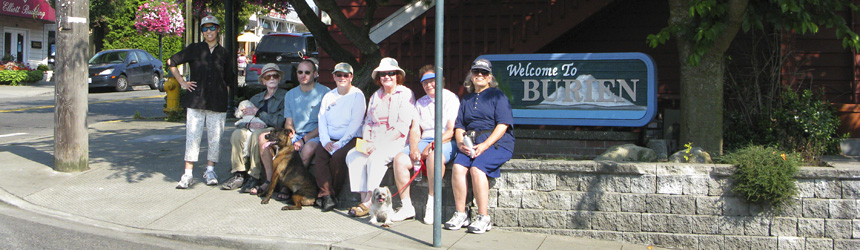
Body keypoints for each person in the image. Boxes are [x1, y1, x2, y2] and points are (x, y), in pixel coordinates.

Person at [444, 58, 514, 234]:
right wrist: (461, 144)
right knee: (458, 167)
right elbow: (459, 126)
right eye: (476, 72)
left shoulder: (498, 96)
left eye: (484, 73)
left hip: (497, 143)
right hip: (471, 143)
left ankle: (484, 217)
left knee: (477, 168)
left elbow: (503, 125)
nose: (480, 75)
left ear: (490, 77)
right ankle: (461, 214)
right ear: (471, 76)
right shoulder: (466, 100)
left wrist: (484, 145)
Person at [167, 15, 236, 189]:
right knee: (193, 137)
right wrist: (182, 82)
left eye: (212, 28)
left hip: (217, 103)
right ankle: (187, 174)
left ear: (218, 29)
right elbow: (172, 62)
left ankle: (210, 170)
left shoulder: (225, 53)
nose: (208, 31)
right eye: (205, 28)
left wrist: (224, 96)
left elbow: (229, 79)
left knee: (215, 139)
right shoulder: (195, 49)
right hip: (196, 101)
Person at [345, 57, 416, 217]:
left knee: (375, 158)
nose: (386, 77)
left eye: (391, 73)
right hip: (373, 140)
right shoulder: (376, 96)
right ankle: (363, 198)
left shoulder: (405, 94)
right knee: (353, 155)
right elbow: (368, 122)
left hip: (394, 141)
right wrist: (367, 141)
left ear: (397, 75)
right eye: (383, 74)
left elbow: (401, 127)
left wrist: (377, 145)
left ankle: (369, 200)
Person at [390, 66, 460, 224]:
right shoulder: (420, 103)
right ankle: (406, 206)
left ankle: (432, 203)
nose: (429, 85)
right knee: (400, 159)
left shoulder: (450, 98)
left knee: (434, 158)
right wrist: (414, 147)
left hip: (445, 139)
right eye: (425, 83)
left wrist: (433, 145)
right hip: (425, 140)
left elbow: (451, 130)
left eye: (432, 81)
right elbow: (415, 129)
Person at [251, 59, 329, 195]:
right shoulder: (290, 94)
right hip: (296, 134)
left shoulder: (325, 93)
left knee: (308, 149)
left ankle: (289, 184)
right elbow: (288, 121)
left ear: (315, 74)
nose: (303, 75)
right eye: (300, 72)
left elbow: (324, 125)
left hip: (314, 135)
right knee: (263, 138)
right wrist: (289, 132)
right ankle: (270, 181)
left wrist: (304, 140)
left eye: (307, 72)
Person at [221, 63, 286, 191]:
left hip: (272, 130)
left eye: (275, 76)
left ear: (279, 78)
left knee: (258, 135)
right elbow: (242, 120)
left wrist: (258, 113)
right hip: (253, 128)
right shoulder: (256, 98)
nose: (271, 79)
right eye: (267, 77)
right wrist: (250, 124)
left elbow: (279, 122)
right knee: (237, 134)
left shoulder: (285, 96)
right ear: (263, 81)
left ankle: (254, 175)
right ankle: (239, 173)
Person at [312, 62, 366, 212]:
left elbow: (355, 123)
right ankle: (328, 196)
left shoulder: (357, 95)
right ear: (334, 77)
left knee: (338, 158)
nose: (342, 78)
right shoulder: (328, 96)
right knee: (320, 155)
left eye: (345, 75)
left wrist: (340, 143)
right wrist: (325, 141)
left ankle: (329, 194)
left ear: (351, 77)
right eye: (338, 75)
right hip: (330, 138)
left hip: (351, 138)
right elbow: (321, 120)